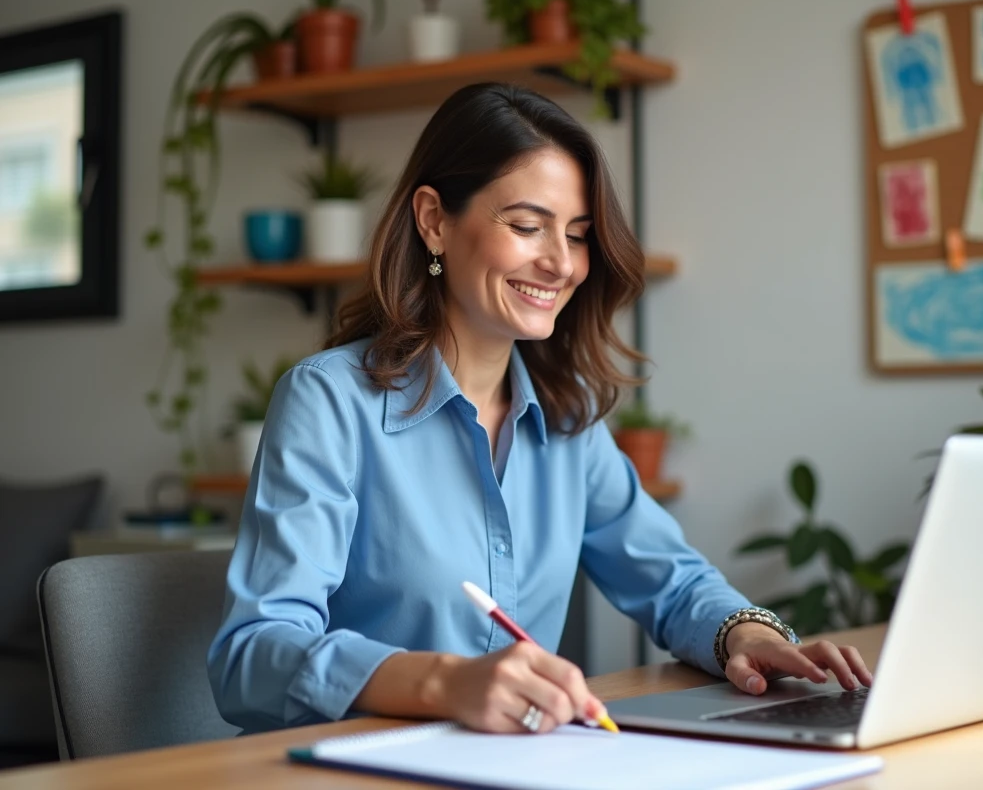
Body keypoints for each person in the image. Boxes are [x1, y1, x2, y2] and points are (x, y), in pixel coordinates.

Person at [207, 82, 873, 736]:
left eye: (578, 235)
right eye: (527, 226)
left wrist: (747, 635)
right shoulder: (328, 402)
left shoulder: (567, 417)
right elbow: (252, 656)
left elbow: (672, 581)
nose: (560, 263)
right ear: (434, 220)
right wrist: (443, 683)